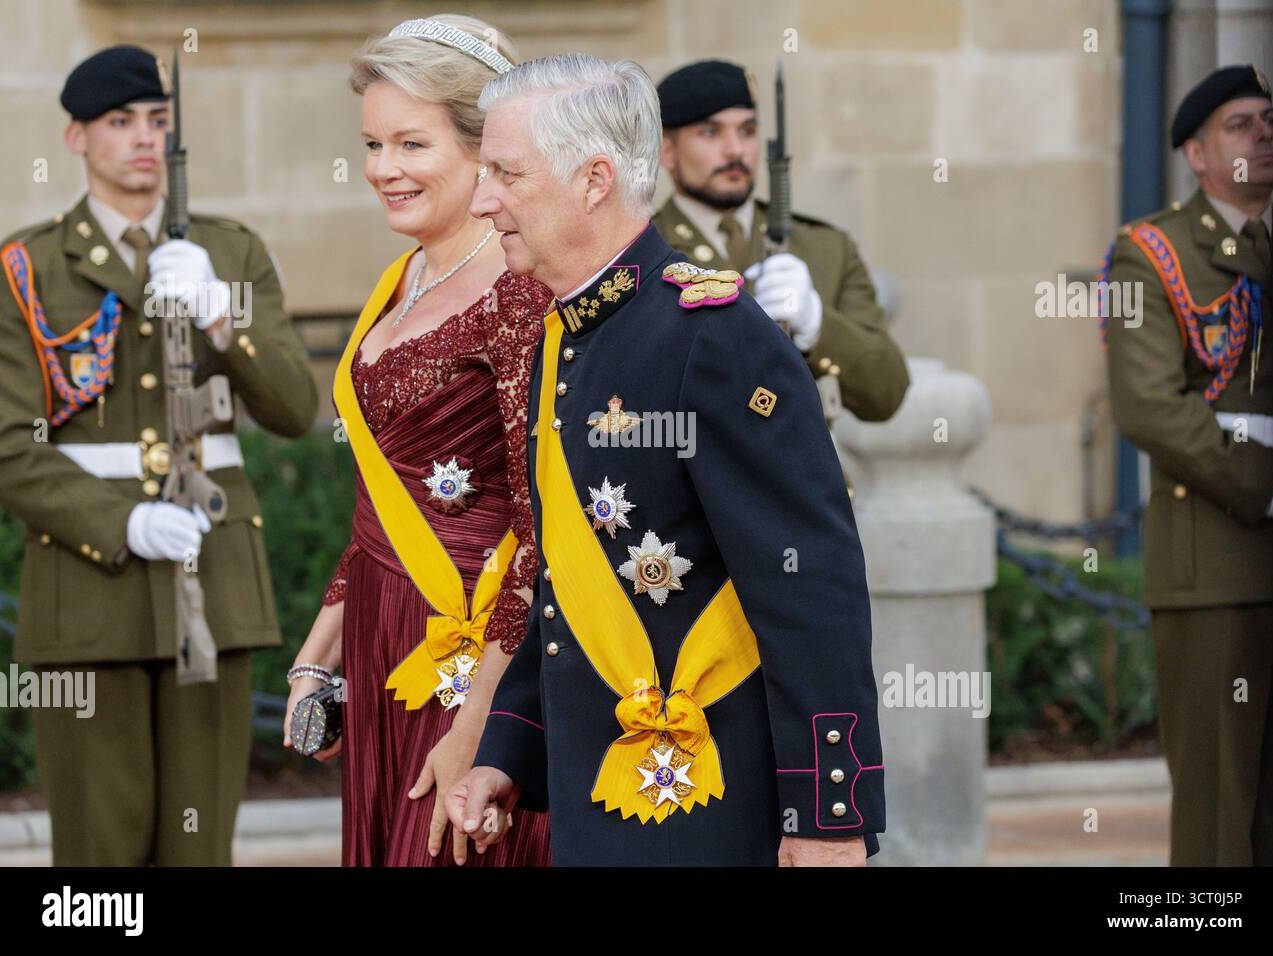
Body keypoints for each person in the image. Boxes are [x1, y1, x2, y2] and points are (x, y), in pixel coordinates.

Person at [446, 53, 885, 866]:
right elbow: (567, 590)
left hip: (713, 799)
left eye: (506, 173)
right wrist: (510, 749)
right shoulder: (562, 338)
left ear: (593, 180)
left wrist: (830, 814)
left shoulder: (713, 338)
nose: (482, 200)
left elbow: (809, 583)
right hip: (598, 796)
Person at [0, 45, 319, 865]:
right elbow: (7, 445)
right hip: (87, 586)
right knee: (99, 852)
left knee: (198, 843)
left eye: (157, 121)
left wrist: (221, 314)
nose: (143, 138)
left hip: (212, 577)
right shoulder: (26, 267)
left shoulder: (230, 253)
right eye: (119, 121)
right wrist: (122, 520)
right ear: (76, 138)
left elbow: (293, 407)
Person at [282, 15, 552, 867]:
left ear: (484, 148)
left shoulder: (518, 295)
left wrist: (479, 722)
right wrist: (314, 662)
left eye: (411, 143)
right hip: (382, 632)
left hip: (478, 653)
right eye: (372, 144)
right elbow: (381, 500)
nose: (384, 170)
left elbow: (544, 526)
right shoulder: (400, 280)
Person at [1102, 64, 1273, 866]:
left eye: (1272, 120)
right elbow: (1150, 404)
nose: (1266, 135)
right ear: (1195, 152)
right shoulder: (1149, 252)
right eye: (1241, 124)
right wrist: (1271, 485)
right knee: (1222, 814)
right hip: (1214, 560)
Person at [652, 59, 909, 422]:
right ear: (667, 151)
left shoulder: (826, 248)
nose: (735, 151)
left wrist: (818, 324)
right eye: (710, 133)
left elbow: (887, 393)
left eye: (747, 130)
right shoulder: (642, 251)